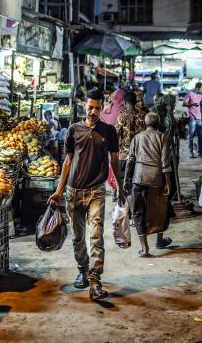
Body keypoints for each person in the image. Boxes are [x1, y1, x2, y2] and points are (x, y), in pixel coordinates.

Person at [48, 89, 124, 301]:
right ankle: (82, 269)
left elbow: (115, 161)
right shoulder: (73, 130)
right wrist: (59, 190)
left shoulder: (109, 131)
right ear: (84, 106)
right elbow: (68, 161)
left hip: (96, 192)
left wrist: (120, 186)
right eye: (90, 107)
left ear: (103, 108)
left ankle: (95, 280)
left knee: (96, 236)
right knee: (78, 237)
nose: (93, 111)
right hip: (73, 192)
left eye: (97, 108)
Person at [124, 113, 174, 257]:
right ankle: (159, 241)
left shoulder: (137, 138)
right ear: (158, 124)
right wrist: (168, 182)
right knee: (161, 210)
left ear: (145, 124)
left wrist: (127, 179)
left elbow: (130, 161)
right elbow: (166, 164)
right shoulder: (161, 137)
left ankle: (144, 248)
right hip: (156, 179)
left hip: (138, 179)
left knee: (138, 212)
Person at [114, 91, 146, 202]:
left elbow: (115, 134)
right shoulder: (143, 115)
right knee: (137, 183)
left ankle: (127, 208)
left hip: (125, 155)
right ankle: (136, 206)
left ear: (124, 102)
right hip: (140, 155)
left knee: (125, 182)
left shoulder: (122, 116)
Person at [183, 83, 202, 158]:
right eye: (201, 88)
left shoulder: (201, 96)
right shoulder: (190, 94)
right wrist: (192, 104)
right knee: (191, 135)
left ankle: (200, 152)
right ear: (197, 88)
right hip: (192, 118)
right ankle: (191, 152)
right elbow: (184, 104)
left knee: (200, 136)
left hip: (200, 118)